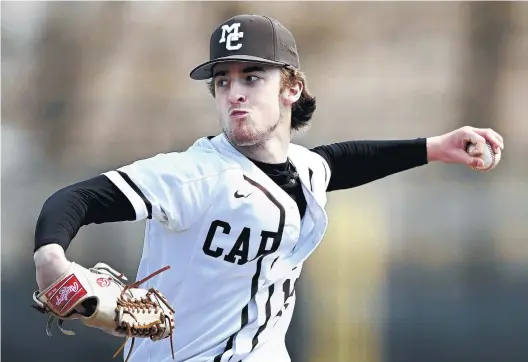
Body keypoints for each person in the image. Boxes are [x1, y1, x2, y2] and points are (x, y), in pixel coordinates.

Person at [33, 14, 504, 362]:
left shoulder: (303, 169)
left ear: (291, 87)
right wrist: (50, 258)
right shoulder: (192, 175)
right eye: (223, 80)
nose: (234, 92)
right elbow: (77, 199)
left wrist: (436, 147)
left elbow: (340, 162)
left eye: (252, 76)